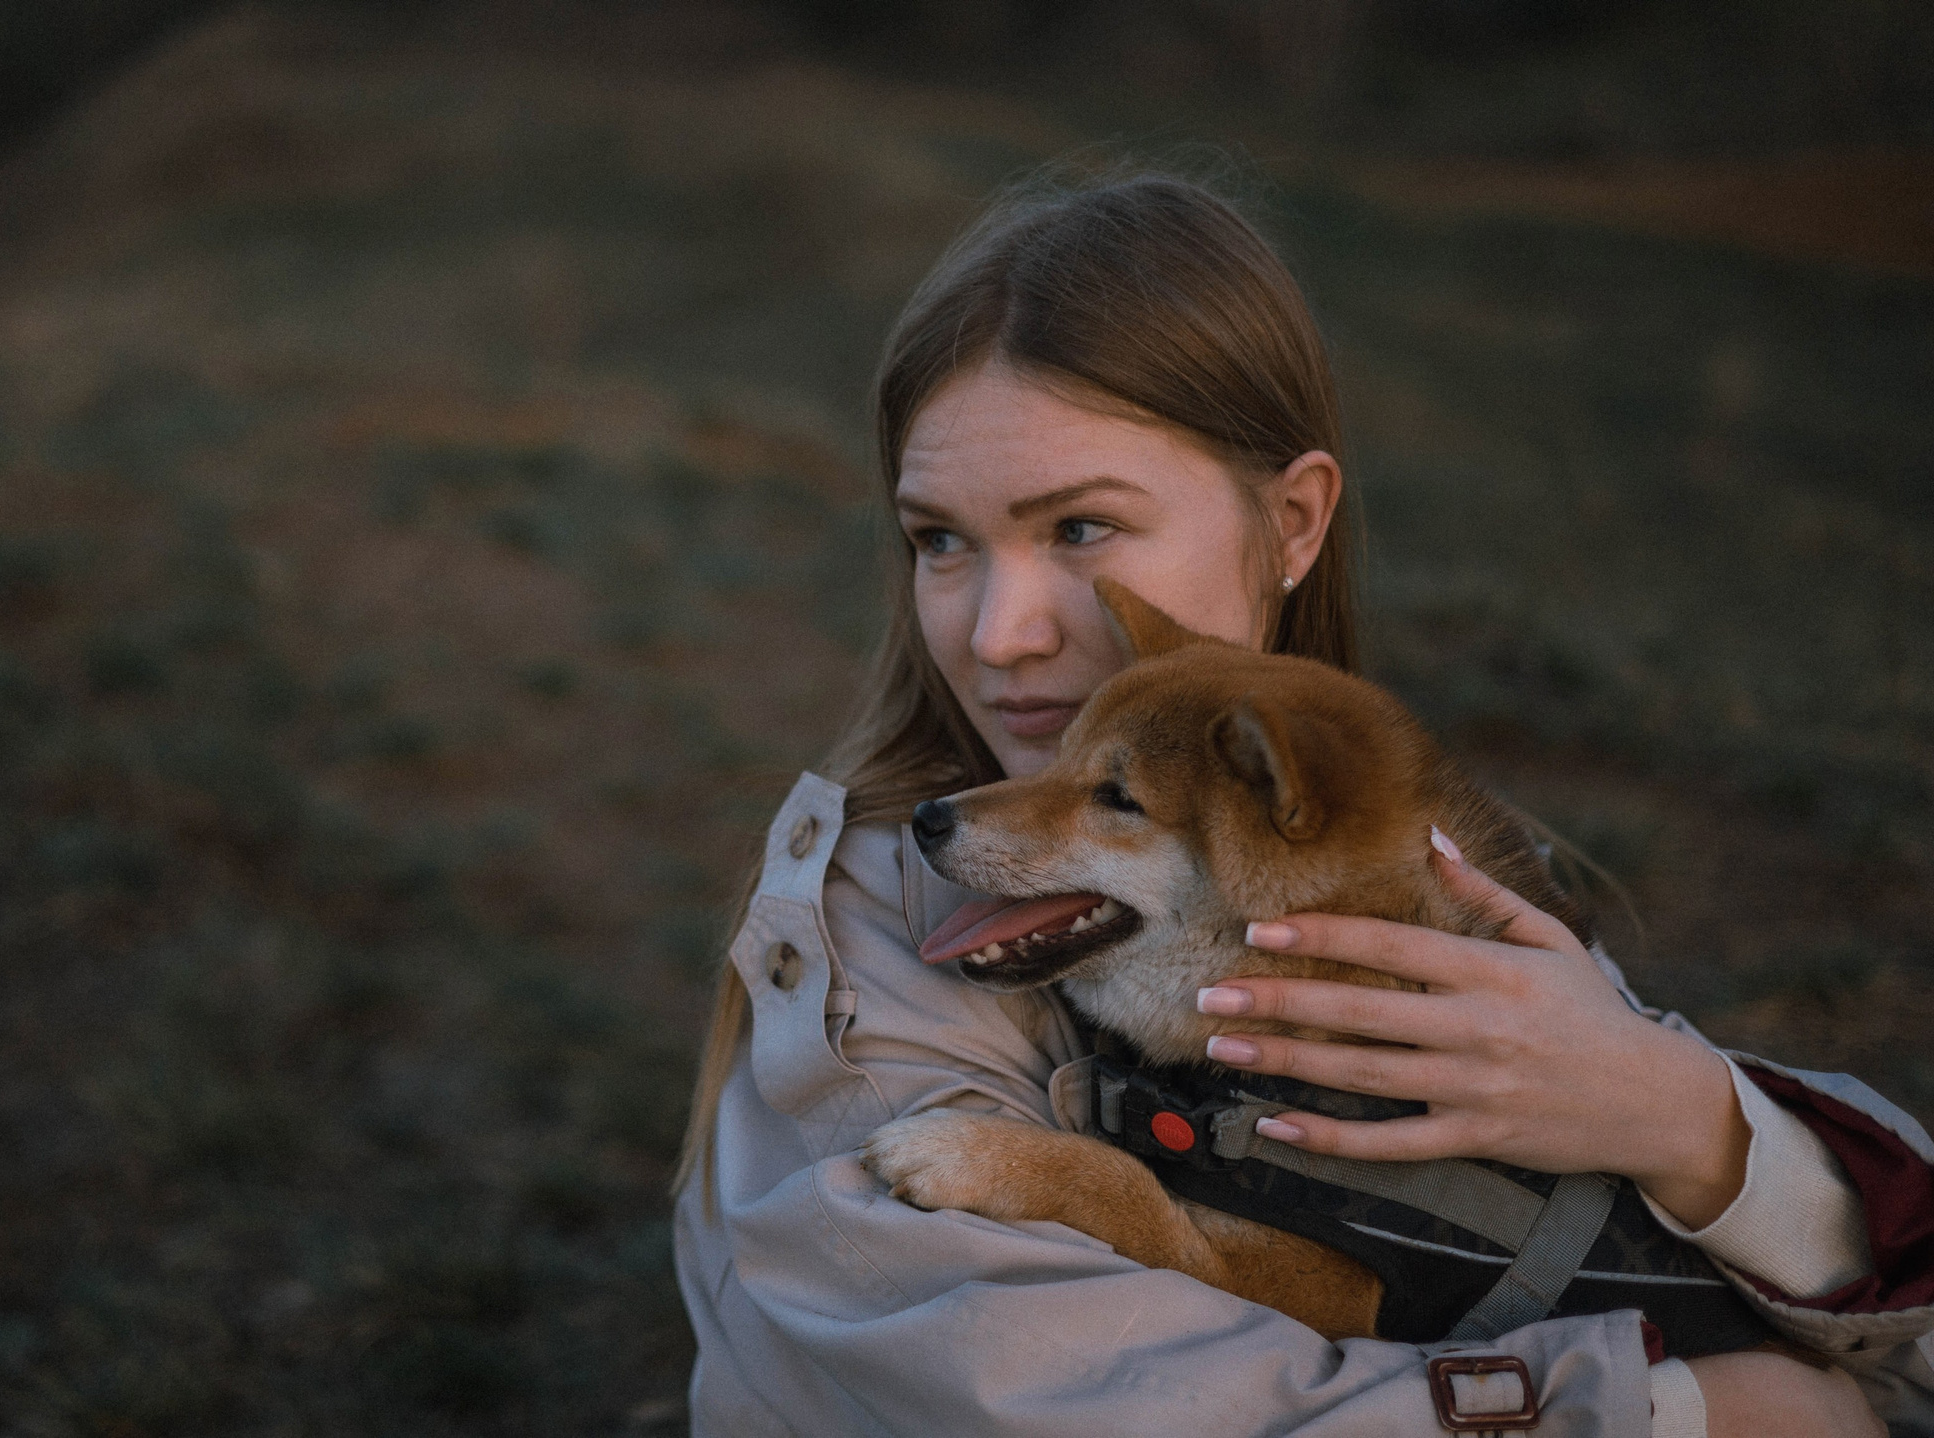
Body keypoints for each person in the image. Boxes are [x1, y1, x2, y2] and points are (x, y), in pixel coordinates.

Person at [670, 169, 1934, 1438]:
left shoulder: (1423, 874)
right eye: (939, 539)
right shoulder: (874, 949)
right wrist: (1666, 1412)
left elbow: (1893, 1346)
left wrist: (1686, 1122)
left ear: (1292, 521)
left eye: (1082, 529)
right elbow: (1045, 1387)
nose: (1000, 635)